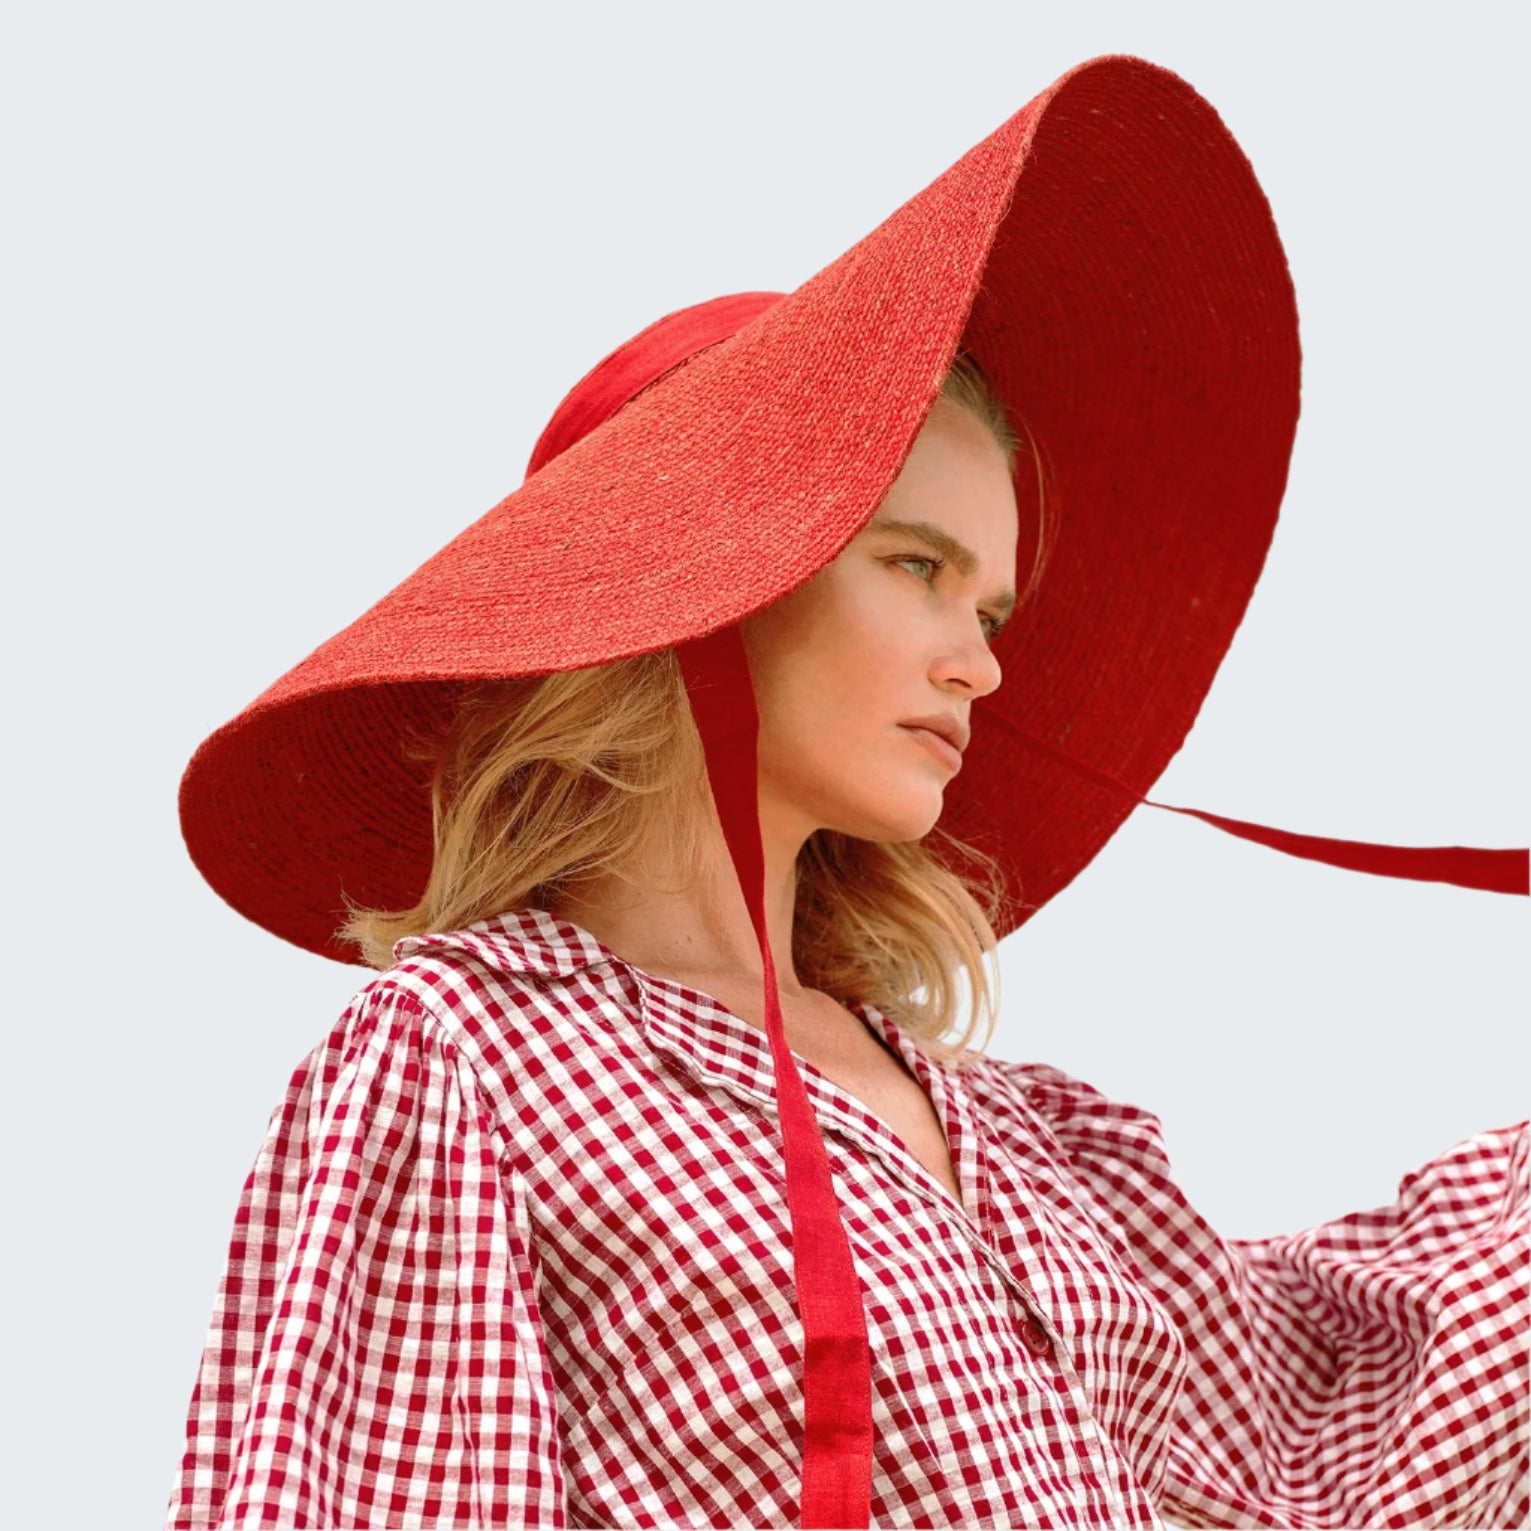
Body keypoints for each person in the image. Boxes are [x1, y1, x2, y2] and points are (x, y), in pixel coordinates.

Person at [166, 55, 1528, 1531]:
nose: (981, 669)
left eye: (991, 611)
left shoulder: (1038, 1147)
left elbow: (1369, 1394)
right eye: (918, 568)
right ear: (712, 585)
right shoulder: (473, 1066)